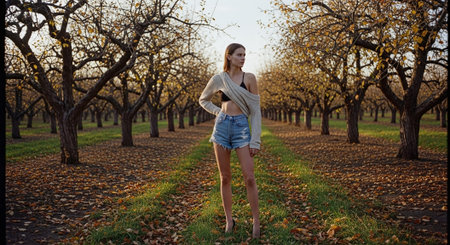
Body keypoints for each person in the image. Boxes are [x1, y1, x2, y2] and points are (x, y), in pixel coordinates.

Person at [199, 43, 262, 239]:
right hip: (222, 128)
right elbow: (204, 99)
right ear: (229, 56)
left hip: (241, 128)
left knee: (249, 177)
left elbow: (255, 112)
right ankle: (229, 220)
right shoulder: (219, 79)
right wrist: (219, 113)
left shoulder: (249, 78)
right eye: (239, 55)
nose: (243, 58)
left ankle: (256, 221)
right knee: (224, 177)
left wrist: (255, 140)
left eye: (245, 54)